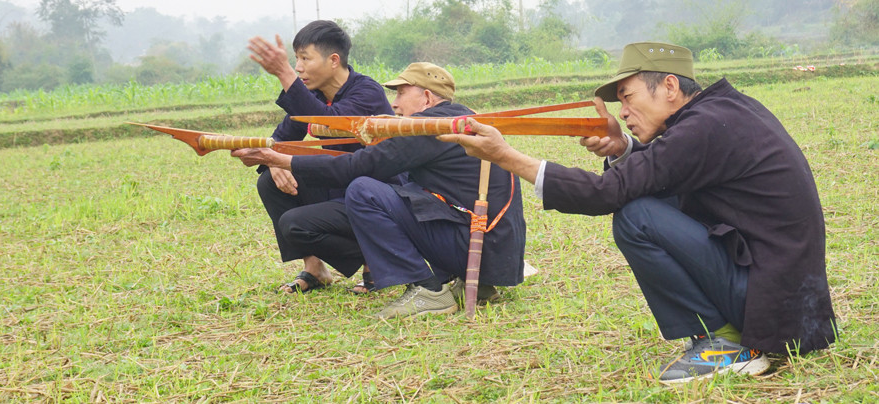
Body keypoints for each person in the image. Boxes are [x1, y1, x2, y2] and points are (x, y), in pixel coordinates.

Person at [439, 42, 836, 383]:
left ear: (668, 86)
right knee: (645, 203)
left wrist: (506, 156)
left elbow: (604, 194)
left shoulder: (702, 128)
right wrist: (623, 149)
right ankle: (724, 336)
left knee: (637, 216)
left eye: (628, 97)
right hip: (789, 301)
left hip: (773, 304)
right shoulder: (720, 114)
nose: (624, 111)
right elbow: (668, 168)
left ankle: (727, 345)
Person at [233, 62, 527, 318]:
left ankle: (426, 289)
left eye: (401, 94)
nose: (395, 104)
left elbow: (355, 169)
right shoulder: (464, 120)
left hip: (474, 245)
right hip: (497, 256)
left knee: (364, 189)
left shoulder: (427, 128)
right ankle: (473, 282)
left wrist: (277, 159)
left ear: (426, 98)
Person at [241, 20, 394, 294]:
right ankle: (315, 269)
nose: (298, 67)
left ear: (333, 60)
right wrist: (273, 159)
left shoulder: (366, 92)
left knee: (297, 221)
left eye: (304, 58)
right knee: (269, 180)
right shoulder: (313, 94)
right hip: (338, 184)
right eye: (294, 59)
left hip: (375, 192)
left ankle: (375, 262)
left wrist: (284, 74)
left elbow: (331, 120)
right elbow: (282, 138)